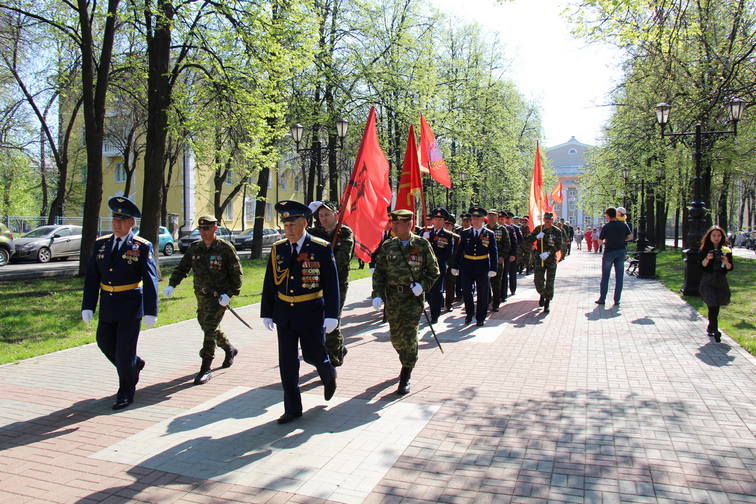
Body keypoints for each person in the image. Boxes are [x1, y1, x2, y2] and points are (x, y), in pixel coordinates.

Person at [261, 200, 339, 424]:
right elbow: (270, 282)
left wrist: (332, 315)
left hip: (311, 312)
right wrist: (267, 311)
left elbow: (331, 284)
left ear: (304, 223)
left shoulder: (320, 248)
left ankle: (328, 372)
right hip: (284, 313)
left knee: (313, 355)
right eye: (286, 226)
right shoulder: (279, 249)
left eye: (293, 225)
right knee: (287, 363)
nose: (289, 230)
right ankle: (293, 408)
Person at [81, 197, 158, 410]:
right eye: (115, 219)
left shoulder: (141, 246)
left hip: (130, 306)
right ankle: (134, 365)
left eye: (123, 220)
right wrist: (88, 306)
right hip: (108, 305)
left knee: (124, 352)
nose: (117, 224)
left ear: (132, 223)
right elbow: (92, 278)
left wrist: (151, 310)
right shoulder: (101, 244)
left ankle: (125, 392)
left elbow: (150, 279)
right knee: (104, 342)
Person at [164, 215, 242, 385]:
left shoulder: (225, 248)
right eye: (201, 229)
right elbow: (182, 268)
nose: (204, 232)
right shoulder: (195, 248)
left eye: (207, 228)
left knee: (209, 329)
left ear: (215, 228)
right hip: (201, 296)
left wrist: (229, 294)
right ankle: (229, 348)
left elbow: (237, 274)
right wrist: (172, 284)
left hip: (219, 297)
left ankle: (205, 368)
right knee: (206, 325)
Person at [372, 209, 439, 394]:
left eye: (397, 223)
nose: (393, 226)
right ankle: (407, 358)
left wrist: (422, 286)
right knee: (396, 338)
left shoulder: (422, 245)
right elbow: (379, 272)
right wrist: (377, 294)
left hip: (412, 298)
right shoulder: (388, 245)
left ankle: (406, 373)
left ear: (409, 224)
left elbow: (434, 271)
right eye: (393, 222)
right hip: (393, 298)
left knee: (409, 336)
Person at [309, 201, 355, 366]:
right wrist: (306, 213)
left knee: (332, 319)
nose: (324, 218)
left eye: (327, 214)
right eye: (321, 215)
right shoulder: (315, 233)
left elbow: (342, 260)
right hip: (316, 284)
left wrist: (320, 262)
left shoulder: (344, 232)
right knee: (319, 320)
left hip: (337, 284)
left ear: (336, 214)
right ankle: (339, 347)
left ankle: (334, 358)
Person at [450, 206, 498, 326]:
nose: (475, 220)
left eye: (478, 218)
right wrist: (455, 266)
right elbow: (459, 251)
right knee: (467, 292)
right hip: (467, 266)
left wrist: (493, 268)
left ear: (483, 219)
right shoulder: (465, 233)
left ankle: (480, 317)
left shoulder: (489, 234)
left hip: (482, 267)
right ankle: (469, 313)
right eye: (473, 218)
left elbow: (493, 252)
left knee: (482, 293)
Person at [522, 212, 562, 313]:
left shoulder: (557, 231)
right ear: (543, 219)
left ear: (552, 220)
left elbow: (559, 245)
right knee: (538, 281)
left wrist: (549, 253)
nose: (547, 220)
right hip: (539, 258)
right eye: (546, 219)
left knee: (550, 281)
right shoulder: (539, 229)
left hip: (551, 259)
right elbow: (528, 239)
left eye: (550, 219)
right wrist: (536, 237)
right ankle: (543, 294)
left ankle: (547, 302)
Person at [699, 226, 733, 342]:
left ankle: (711, 326)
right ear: (709, 236)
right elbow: (701, 266)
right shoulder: (705, 249)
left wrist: (726, 261)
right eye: (714, 235)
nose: (716, 238)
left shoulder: (726, 250)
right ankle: (715, 329)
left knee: (716, 304)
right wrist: (707, 258)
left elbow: (730, 267)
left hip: (720, 280)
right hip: (708, 280)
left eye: (719, 235)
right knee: (712, 303)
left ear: (722, 237)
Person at [423, 207, 456, 323]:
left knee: (436, 291)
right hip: (425, 268)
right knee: (427, 292)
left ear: (444, 221)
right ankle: (433, 306)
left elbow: (448, 253)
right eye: (436, 219)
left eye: (440, 219)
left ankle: (435, 315)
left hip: (438, 267)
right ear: (432, 220)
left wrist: (436, 259)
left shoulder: (448, 235)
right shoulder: (425, 232)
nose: (437, 221)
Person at [595, 207, 633, 306]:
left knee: (605, 277)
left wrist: (605, 242)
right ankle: (617, 300)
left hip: (609, 252)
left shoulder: (606, 226)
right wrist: (622, 240)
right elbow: (630, 237)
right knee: (619, 277)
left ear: (608, 216)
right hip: (621, 252)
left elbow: (600, 241)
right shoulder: (623, 224)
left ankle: (602, 299)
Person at [500, 211, 521, 297]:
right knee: (503, 274)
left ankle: (512, 289)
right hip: (503, 255)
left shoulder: (514, 228)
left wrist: (513, 254)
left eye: (508, 218)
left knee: (512, 273)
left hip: (511, 254)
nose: (507, 220)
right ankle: (502, 293)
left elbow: (517, 242)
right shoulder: (498, 228)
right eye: (506, 218)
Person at [443, 214, 460, 312]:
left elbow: (459, 252)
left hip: (452, 263)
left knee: (450, 284)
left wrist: (457, 265)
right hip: (440, 263)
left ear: (453, 226)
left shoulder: (457, 238)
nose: (447, 226)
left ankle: (449, 303)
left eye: (449, 224)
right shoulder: (439, 235)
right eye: (445, 224)